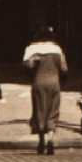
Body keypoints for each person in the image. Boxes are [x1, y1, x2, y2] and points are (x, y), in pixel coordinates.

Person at [24, 26, 68, 155]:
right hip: (54, 82)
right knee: (53, 111)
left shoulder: (32, 49)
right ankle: (51, 139)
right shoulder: (57, 50)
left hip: (38, 83)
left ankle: (41, 140)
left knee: (39, 110)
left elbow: (28, 67)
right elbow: (64, 69)